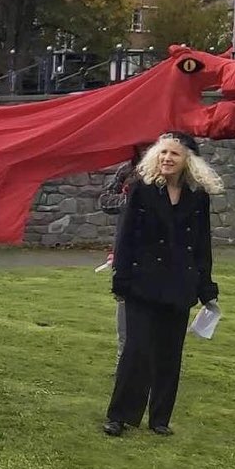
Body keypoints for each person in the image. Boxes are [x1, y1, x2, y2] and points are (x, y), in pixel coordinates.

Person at [104, 131, 223, 437]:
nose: (167, 158)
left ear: (188, 162)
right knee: (137, 349)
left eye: (175, 154)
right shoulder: (141, 190)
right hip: (142, 280)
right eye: (163, 152)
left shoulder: (198, 197)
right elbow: (126, 236)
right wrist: (121, 278)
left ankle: (160, 418)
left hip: (179, 282)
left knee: (169, 352)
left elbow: (201, 244)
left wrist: (205, 286)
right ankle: (120, 415)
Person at [97, 143, 149, 366]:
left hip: (157, 252)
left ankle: (153, 366)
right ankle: (124, 365)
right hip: (127, 249)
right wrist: (130, 200)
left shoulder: (171, 173)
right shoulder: (127, 172)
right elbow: (105, 201)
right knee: (125, 308)